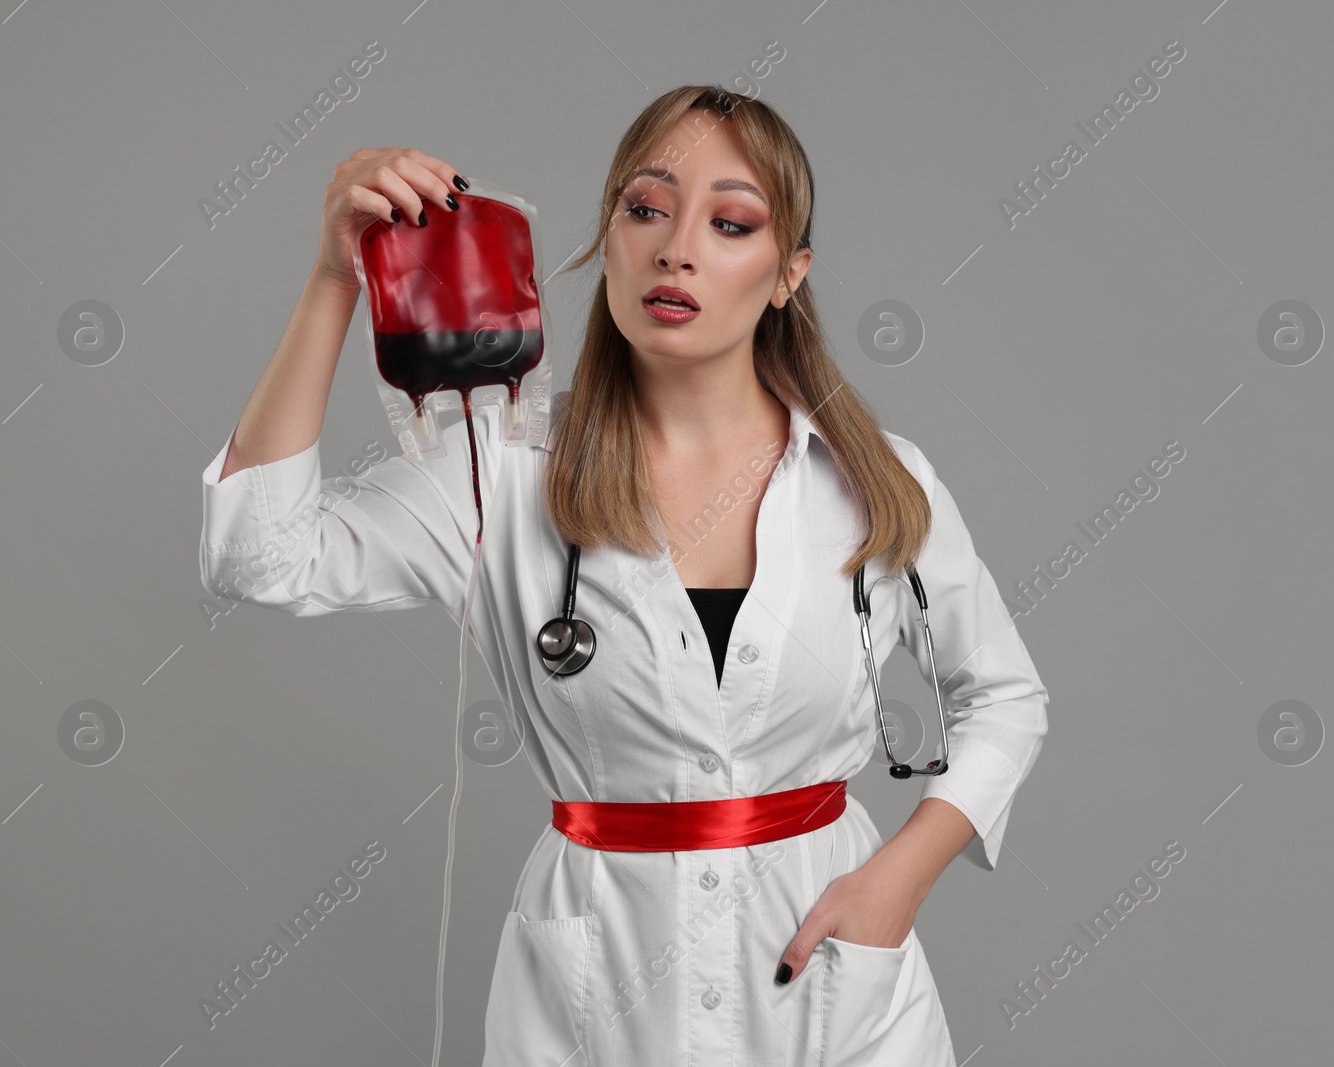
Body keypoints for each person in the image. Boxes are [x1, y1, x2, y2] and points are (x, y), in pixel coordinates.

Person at [199, 84, 1049, 1067]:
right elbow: (255, 553)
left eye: (729, 223)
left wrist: (899, 876)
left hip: (832, 978)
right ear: (607, 238)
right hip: (595, 988)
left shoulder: (875, 480)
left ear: (787, 274)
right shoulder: (502, 476)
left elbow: (1003, 696)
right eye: (644, 208)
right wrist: (333, 278)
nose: (675, 246)